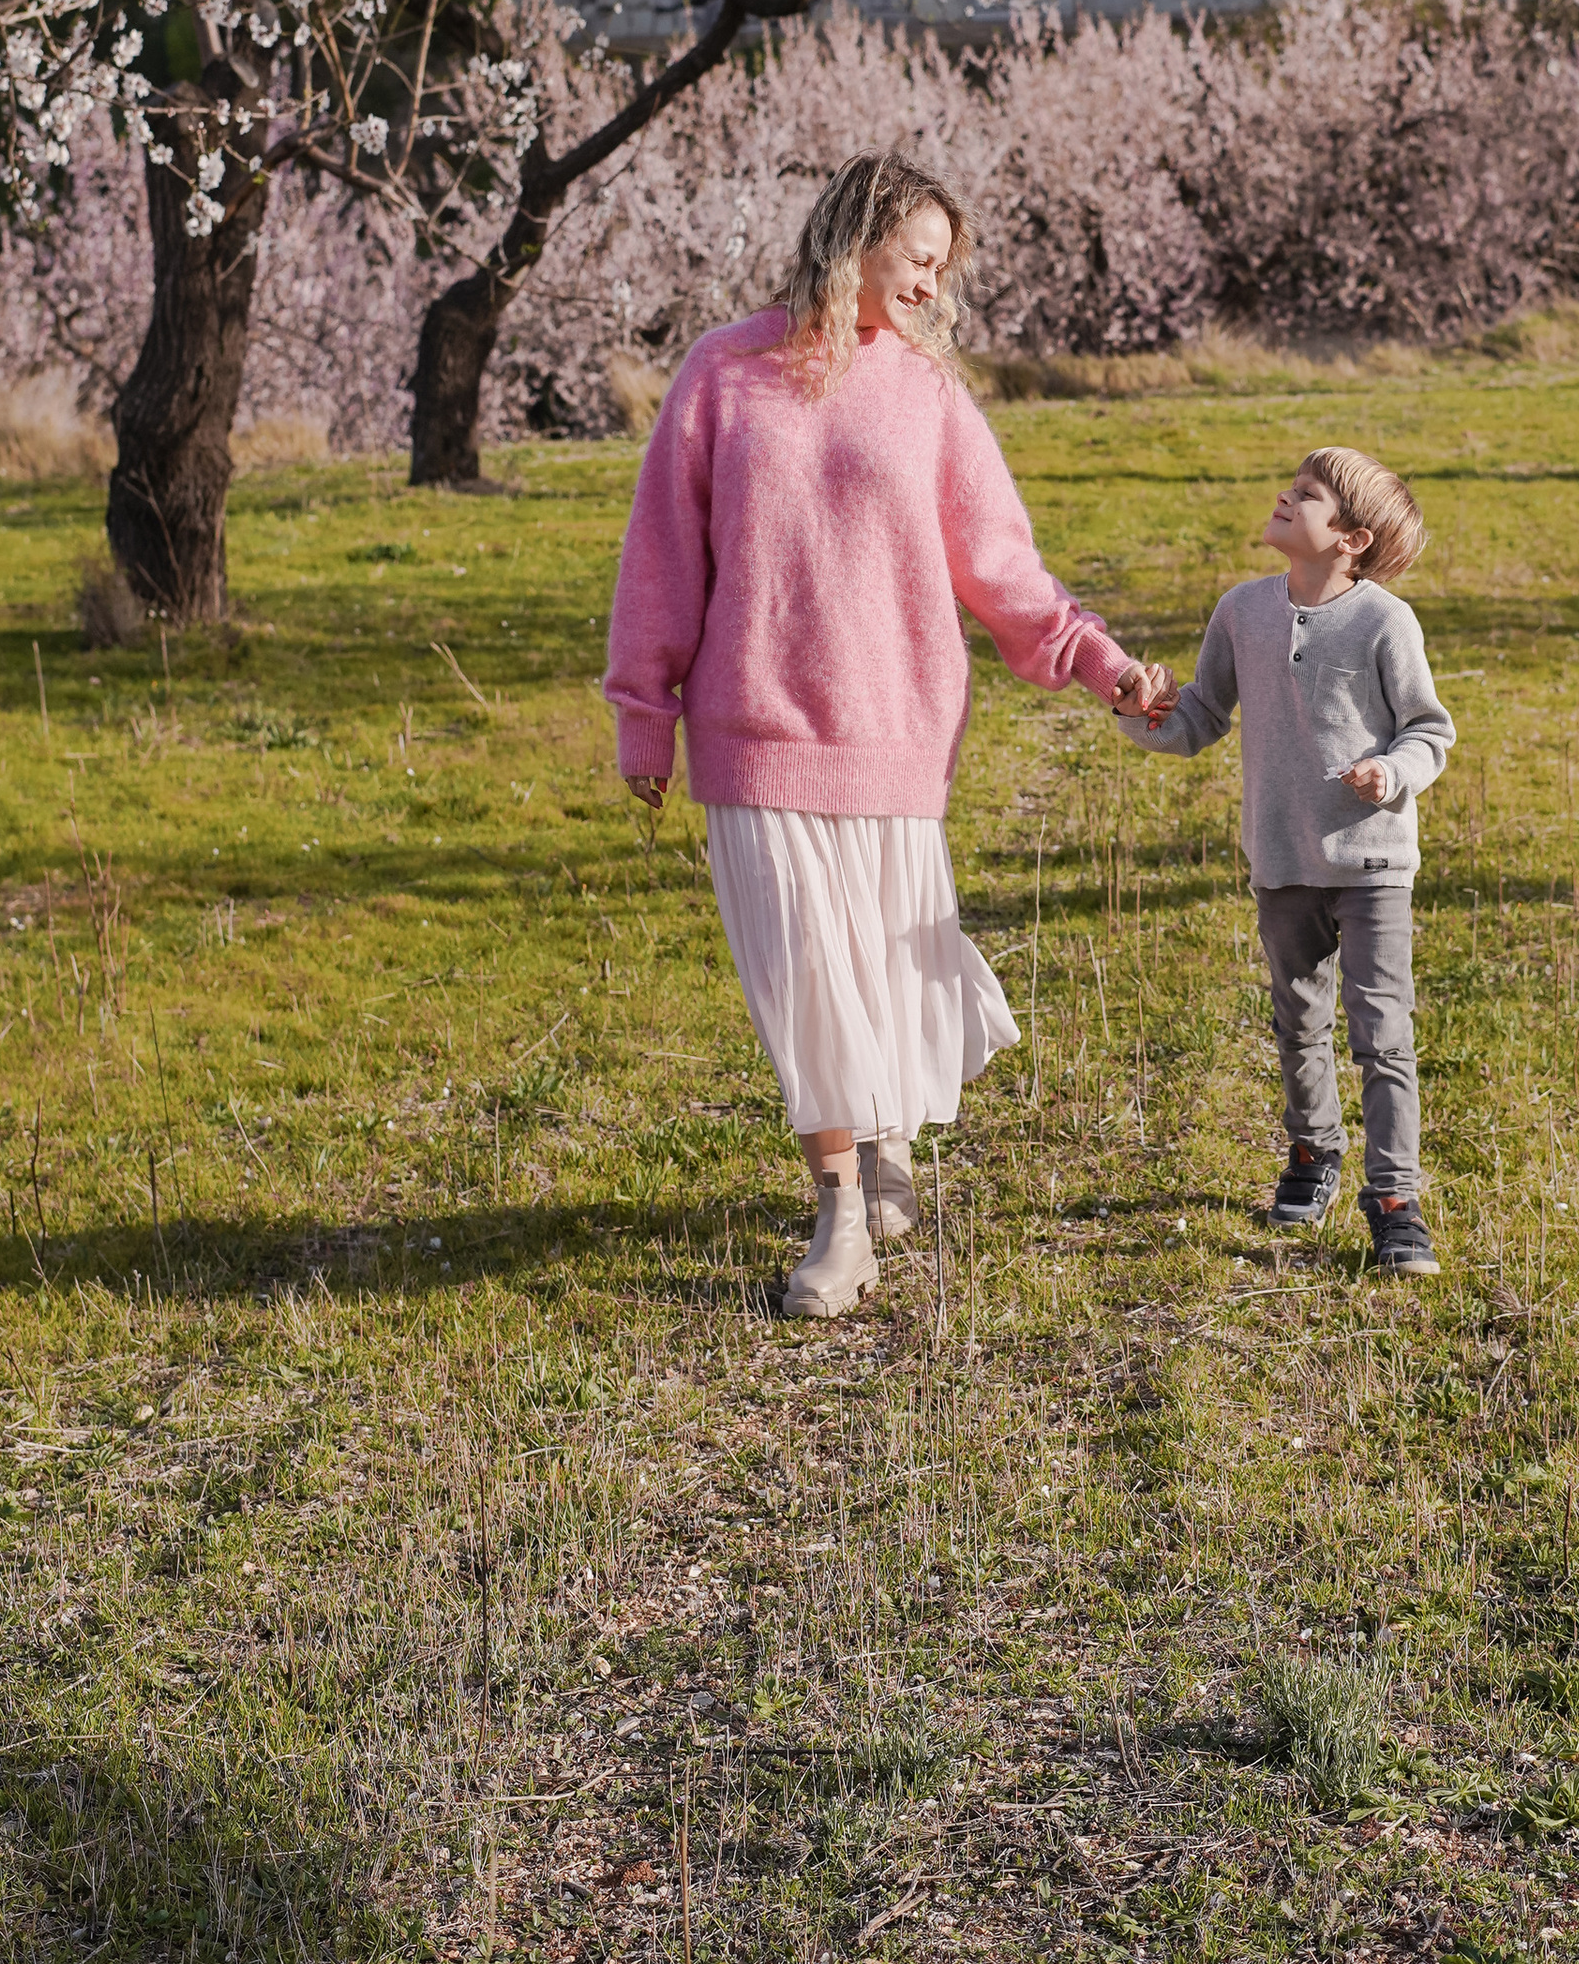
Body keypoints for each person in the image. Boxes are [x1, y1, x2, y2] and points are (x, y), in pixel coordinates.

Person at [605, 152, 1171, 1321]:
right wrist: (642, 716)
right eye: (916, 258)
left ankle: (889, 1135)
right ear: (851, 241)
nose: (930, 285)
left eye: (940, 268)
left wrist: (1099, 662)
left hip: (898, 731)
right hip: (754, 730)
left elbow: (1001, 565)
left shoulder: (926, 393)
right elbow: (662, 556)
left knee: (888, 968)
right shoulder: (724, 372)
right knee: (805, 980)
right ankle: (842, 1215)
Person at [1118, 445, 1454, 1277]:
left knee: (1383, 1035)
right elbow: (1199, 716)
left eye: (1307, 494)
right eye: (1293, 485)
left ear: (1351, 539)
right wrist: (1138, 711)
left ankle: (1396, 1202)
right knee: (1299, 1022)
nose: (1284, 495)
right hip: (1281, 860)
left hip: (1371, 865)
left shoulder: (1385, 623)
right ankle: (1313, 1151)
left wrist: (1391, 773)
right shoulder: (1242, 611)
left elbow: (1428, 730)